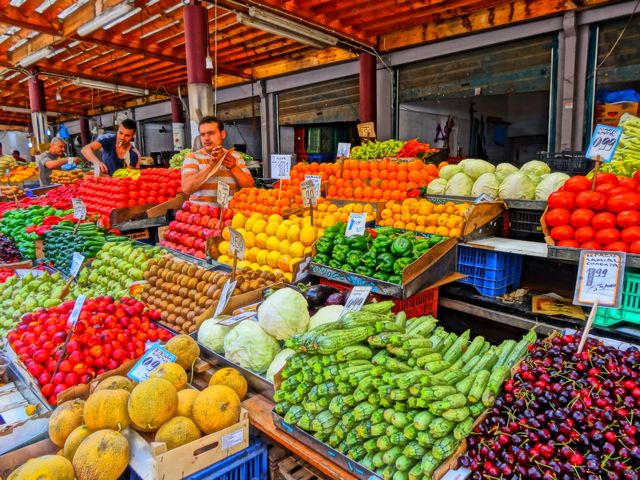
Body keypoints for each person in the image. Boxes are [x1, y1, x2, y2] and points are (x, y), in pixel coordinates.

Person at [181, 116, 254, 204]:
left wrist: (234, 167)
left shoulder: (235, 156)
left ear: (222, 134)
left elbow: (250, 187)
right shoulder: (193, 157)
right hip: (200, 214)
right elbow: (186, 189)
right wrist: (211, 165)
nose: (206, 138)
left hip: (229, 213)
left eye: (211, 133)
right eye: (202, 134)